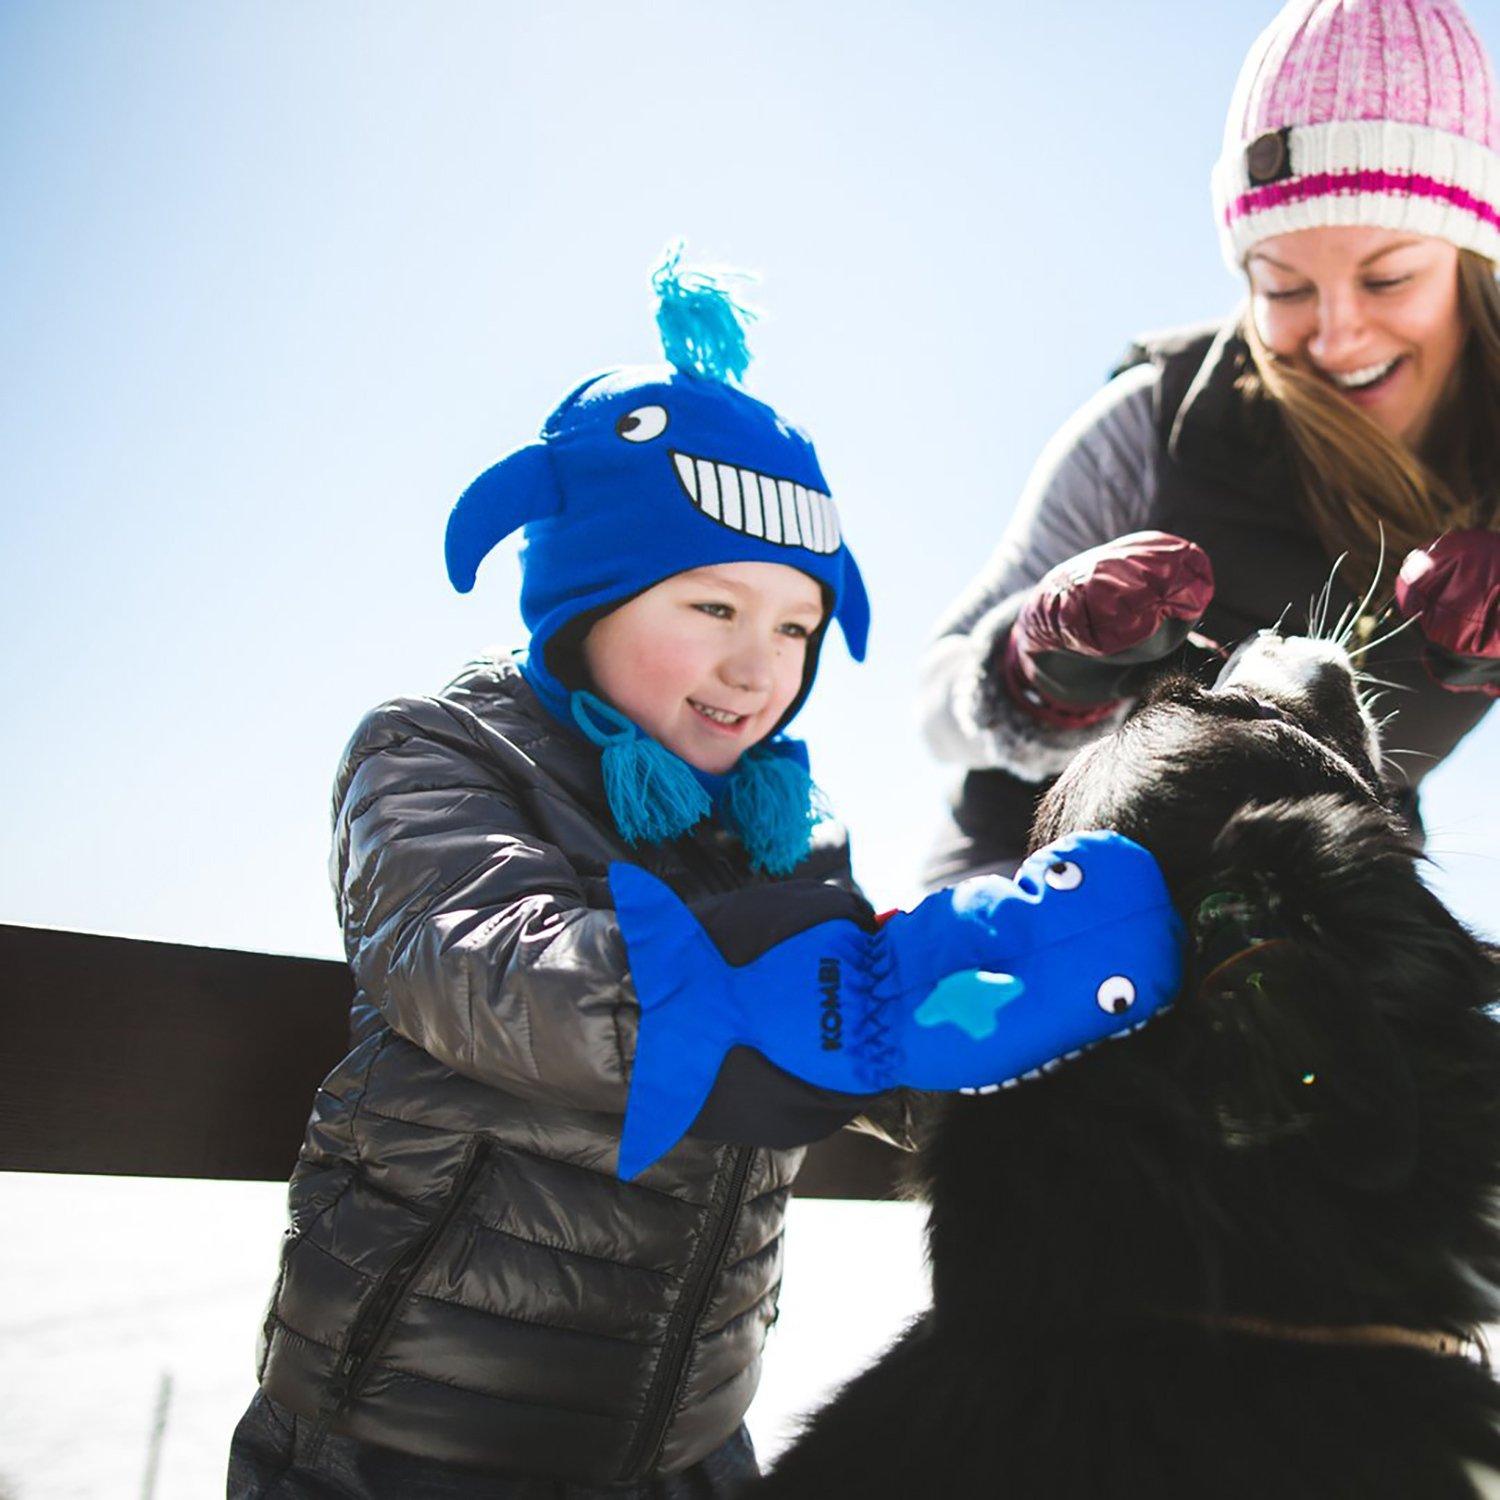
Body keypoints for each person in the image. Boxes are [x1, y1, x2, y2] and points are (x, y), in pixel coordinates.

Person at [226, 250, 1182, 1499]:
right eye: (712, 609)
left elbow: (871, 1055)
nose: (758, 668)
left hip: (684, 1440)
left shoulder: (781, 831)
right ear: (586, 599)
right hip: (414, 1437)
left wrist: (1015, 1030)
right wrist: (822, 996)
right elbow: (486, 967)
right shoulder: (442, 755)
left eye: (795, 626)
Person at [920, 0, 1500, 887]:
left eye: (1388, 277)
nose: (1337, 334)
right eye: (1284, 287)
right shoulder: (1155, 425)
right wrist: (1040, 668)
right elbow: (936, 711)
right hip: (1055, 887)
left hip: (1317, 900)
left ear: (1471, 256)